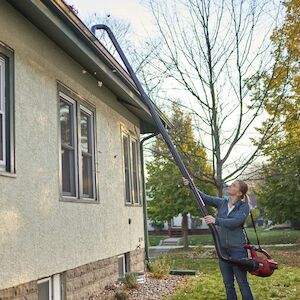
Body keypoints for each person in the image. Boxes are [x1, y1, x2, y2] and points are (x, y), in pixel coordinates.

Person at [182, 178, 254, 300]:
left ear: (239, 193)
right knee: (228, 284)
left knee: (242, 282)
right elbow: (204, 197)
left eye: (234, 185)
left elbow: (236, 222)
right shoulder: (222, 203)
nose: (230, 186)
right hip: (223, 249)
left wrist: (216, 220)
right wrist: (191, 185)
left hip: (238, 249)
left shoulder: (244, 207)